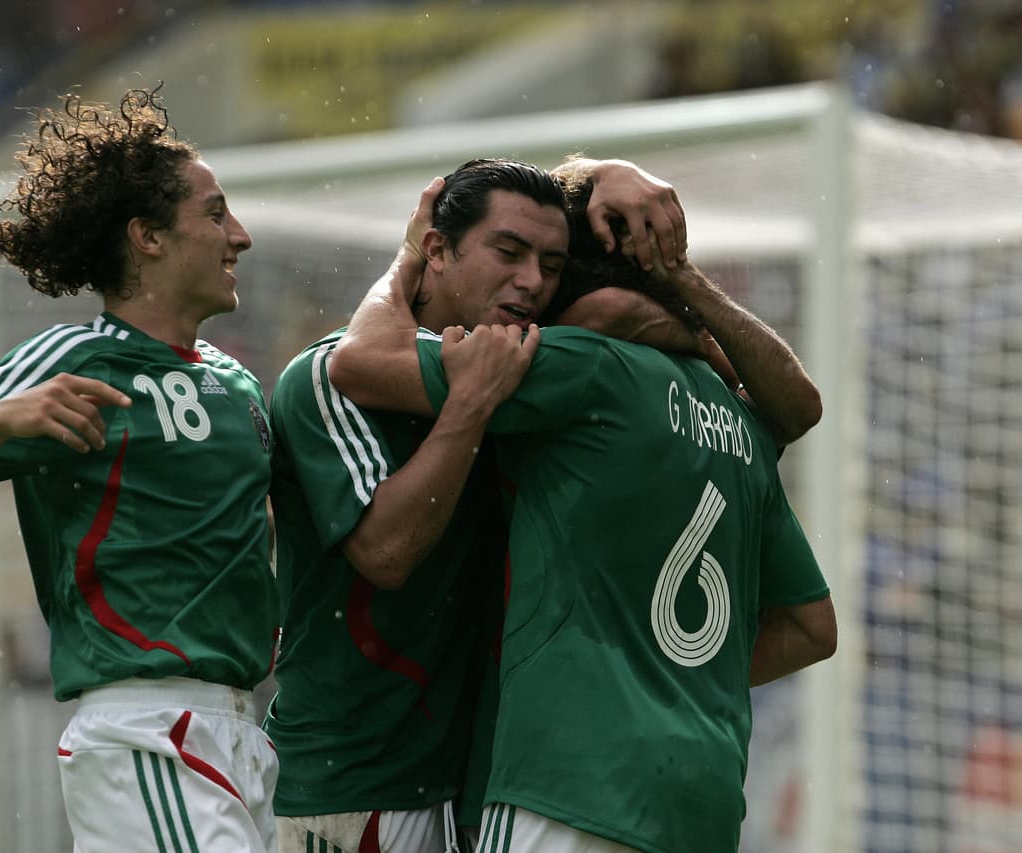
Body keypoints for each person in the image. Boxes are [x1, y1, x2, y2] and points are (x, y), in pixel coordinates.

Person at [326, 169, 837, 853]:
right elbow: (813, 627)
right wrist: (667, 668)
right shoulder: (742, 422)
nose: (530, 290)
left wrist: (413, 251)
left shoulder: (580, 366)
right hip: (704, 798)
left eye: (550, 270)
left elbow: (360, 361)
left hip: (569, 783)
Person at [0, 87, 279, 853]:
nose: (242, 236)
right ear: (148, 237)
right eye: (216, 214)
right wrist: (3, 417)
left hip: (239, 727)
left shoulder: (237, 383)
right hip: (146, 727)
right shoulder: (73, 359)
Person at [266, 157, 698, 853]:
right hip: (354, 786)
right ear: (436, 249)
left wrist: (604, 170)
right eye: (508, 252)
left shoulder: (529, 371)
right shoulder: (324, 378)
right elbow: (387, 553)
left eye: (551, 264)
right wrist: (468, 405)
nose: (531, 281)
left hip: (477, 790)